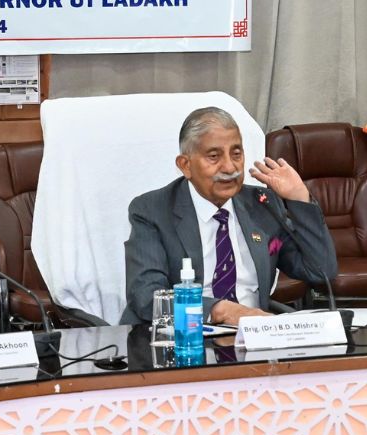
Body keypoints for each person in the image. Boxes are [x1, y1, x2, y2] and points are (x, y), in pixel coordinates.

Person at [121, 107, 337, 325]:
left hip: (252, 335)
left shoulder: (262, 205)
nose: (229, 167)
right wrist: (219, 311)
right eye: (214, 156)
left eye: (236, 154)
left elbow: (320, 271)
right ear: (185, 165)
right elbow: (146, 295)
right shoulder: (152, 210)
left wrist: (300, 198)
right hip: (184, 335)